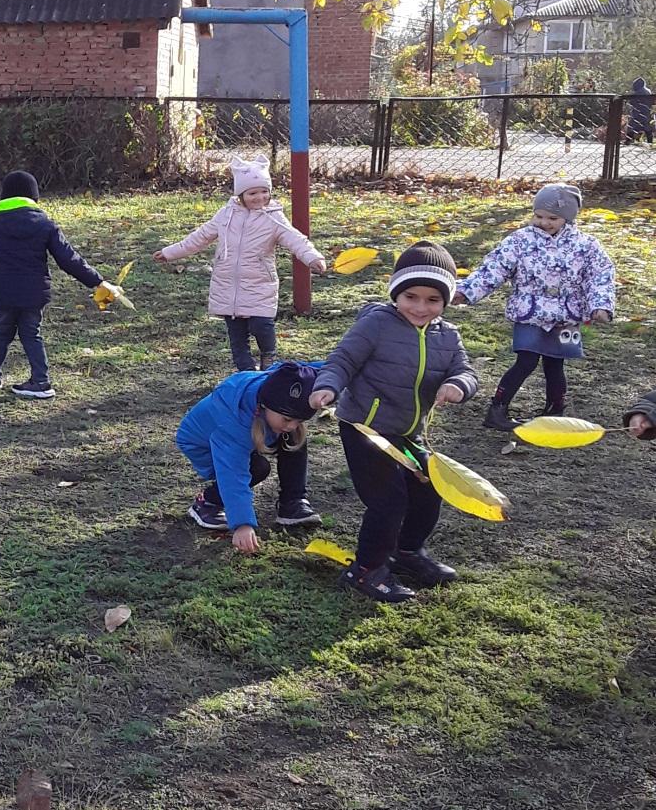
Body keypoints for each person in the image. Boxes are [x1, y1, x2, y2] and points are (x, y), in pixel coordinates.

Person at [309, 243, 479, 603]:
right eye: (411, 296)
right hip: (365, 430)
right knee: (388, 501)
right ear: (395, 293)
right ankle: (365, 570)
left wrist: (458, 386)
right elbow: (342, 360)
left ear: (445, 302)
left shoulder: (447, 336)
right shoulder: (376, 325)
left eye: (433, 299)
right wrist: (327, 387)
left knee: (428, 489)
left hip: (408, 432)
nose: (420, 307)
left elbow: (465, 371)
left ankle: (406, 551)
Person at [0, 170, 122, 400]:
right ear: (34, 197)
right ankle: (41, 381)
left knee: (2, 332)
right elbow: (69, 259)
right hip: (34, 293)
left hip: (4, 293)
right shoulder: (45, 225)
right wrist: (97, 281)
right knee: (32, 334)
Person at [452, 183, 616, 430]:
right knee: (526, 360)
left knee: (555, 363)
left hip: (566, 316)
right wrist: (466, 291)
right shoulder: (520, 240)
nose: (544, 222)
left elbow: (600, 275)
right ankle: (497, 409)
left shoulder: (586, 246)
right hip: (530, 312)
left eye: (553, 218)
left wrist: (600, 305)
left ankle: (555, 411)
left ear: (568, 218)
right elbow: (494, 268)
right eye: (538, 216)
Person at [153, 156, 326, 371]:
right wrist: (170, 253)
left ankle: (268, 356)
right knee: (237, 338)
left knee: (261, 325)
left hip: (259, 284)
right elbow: (200, 237)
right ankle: (246, 376)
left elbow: (296, 239)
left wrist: (313, 258)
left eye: (264, 191)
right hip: (227, 287)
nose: (259, 197)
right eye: (252, 193)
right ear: (240, 195)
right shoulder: (226, 215)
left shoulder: (274, 218)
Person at [175, 361, 325, 549]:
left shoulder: (281, 382)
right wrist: (242, 524)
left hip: (253, 426)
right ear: (264, 405)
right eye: (287, 419)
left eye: (300, 420)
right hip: (202, 443)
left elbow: (321, 368)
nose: (292, 424)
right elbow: (232, 474)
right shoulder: (233, 422)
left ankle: (292, 503)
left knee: (295, 438)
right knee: (257, 468)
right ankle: (208, 502)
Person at [626, 78, 654, 144]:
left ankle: (628, 141)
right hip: (646, 113)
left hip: (637, 113)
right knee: (647, 128)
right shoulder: (648, 91)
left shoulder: (639, 92)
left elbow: (632, 102)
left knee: (631, 126)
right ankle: (650, 142)